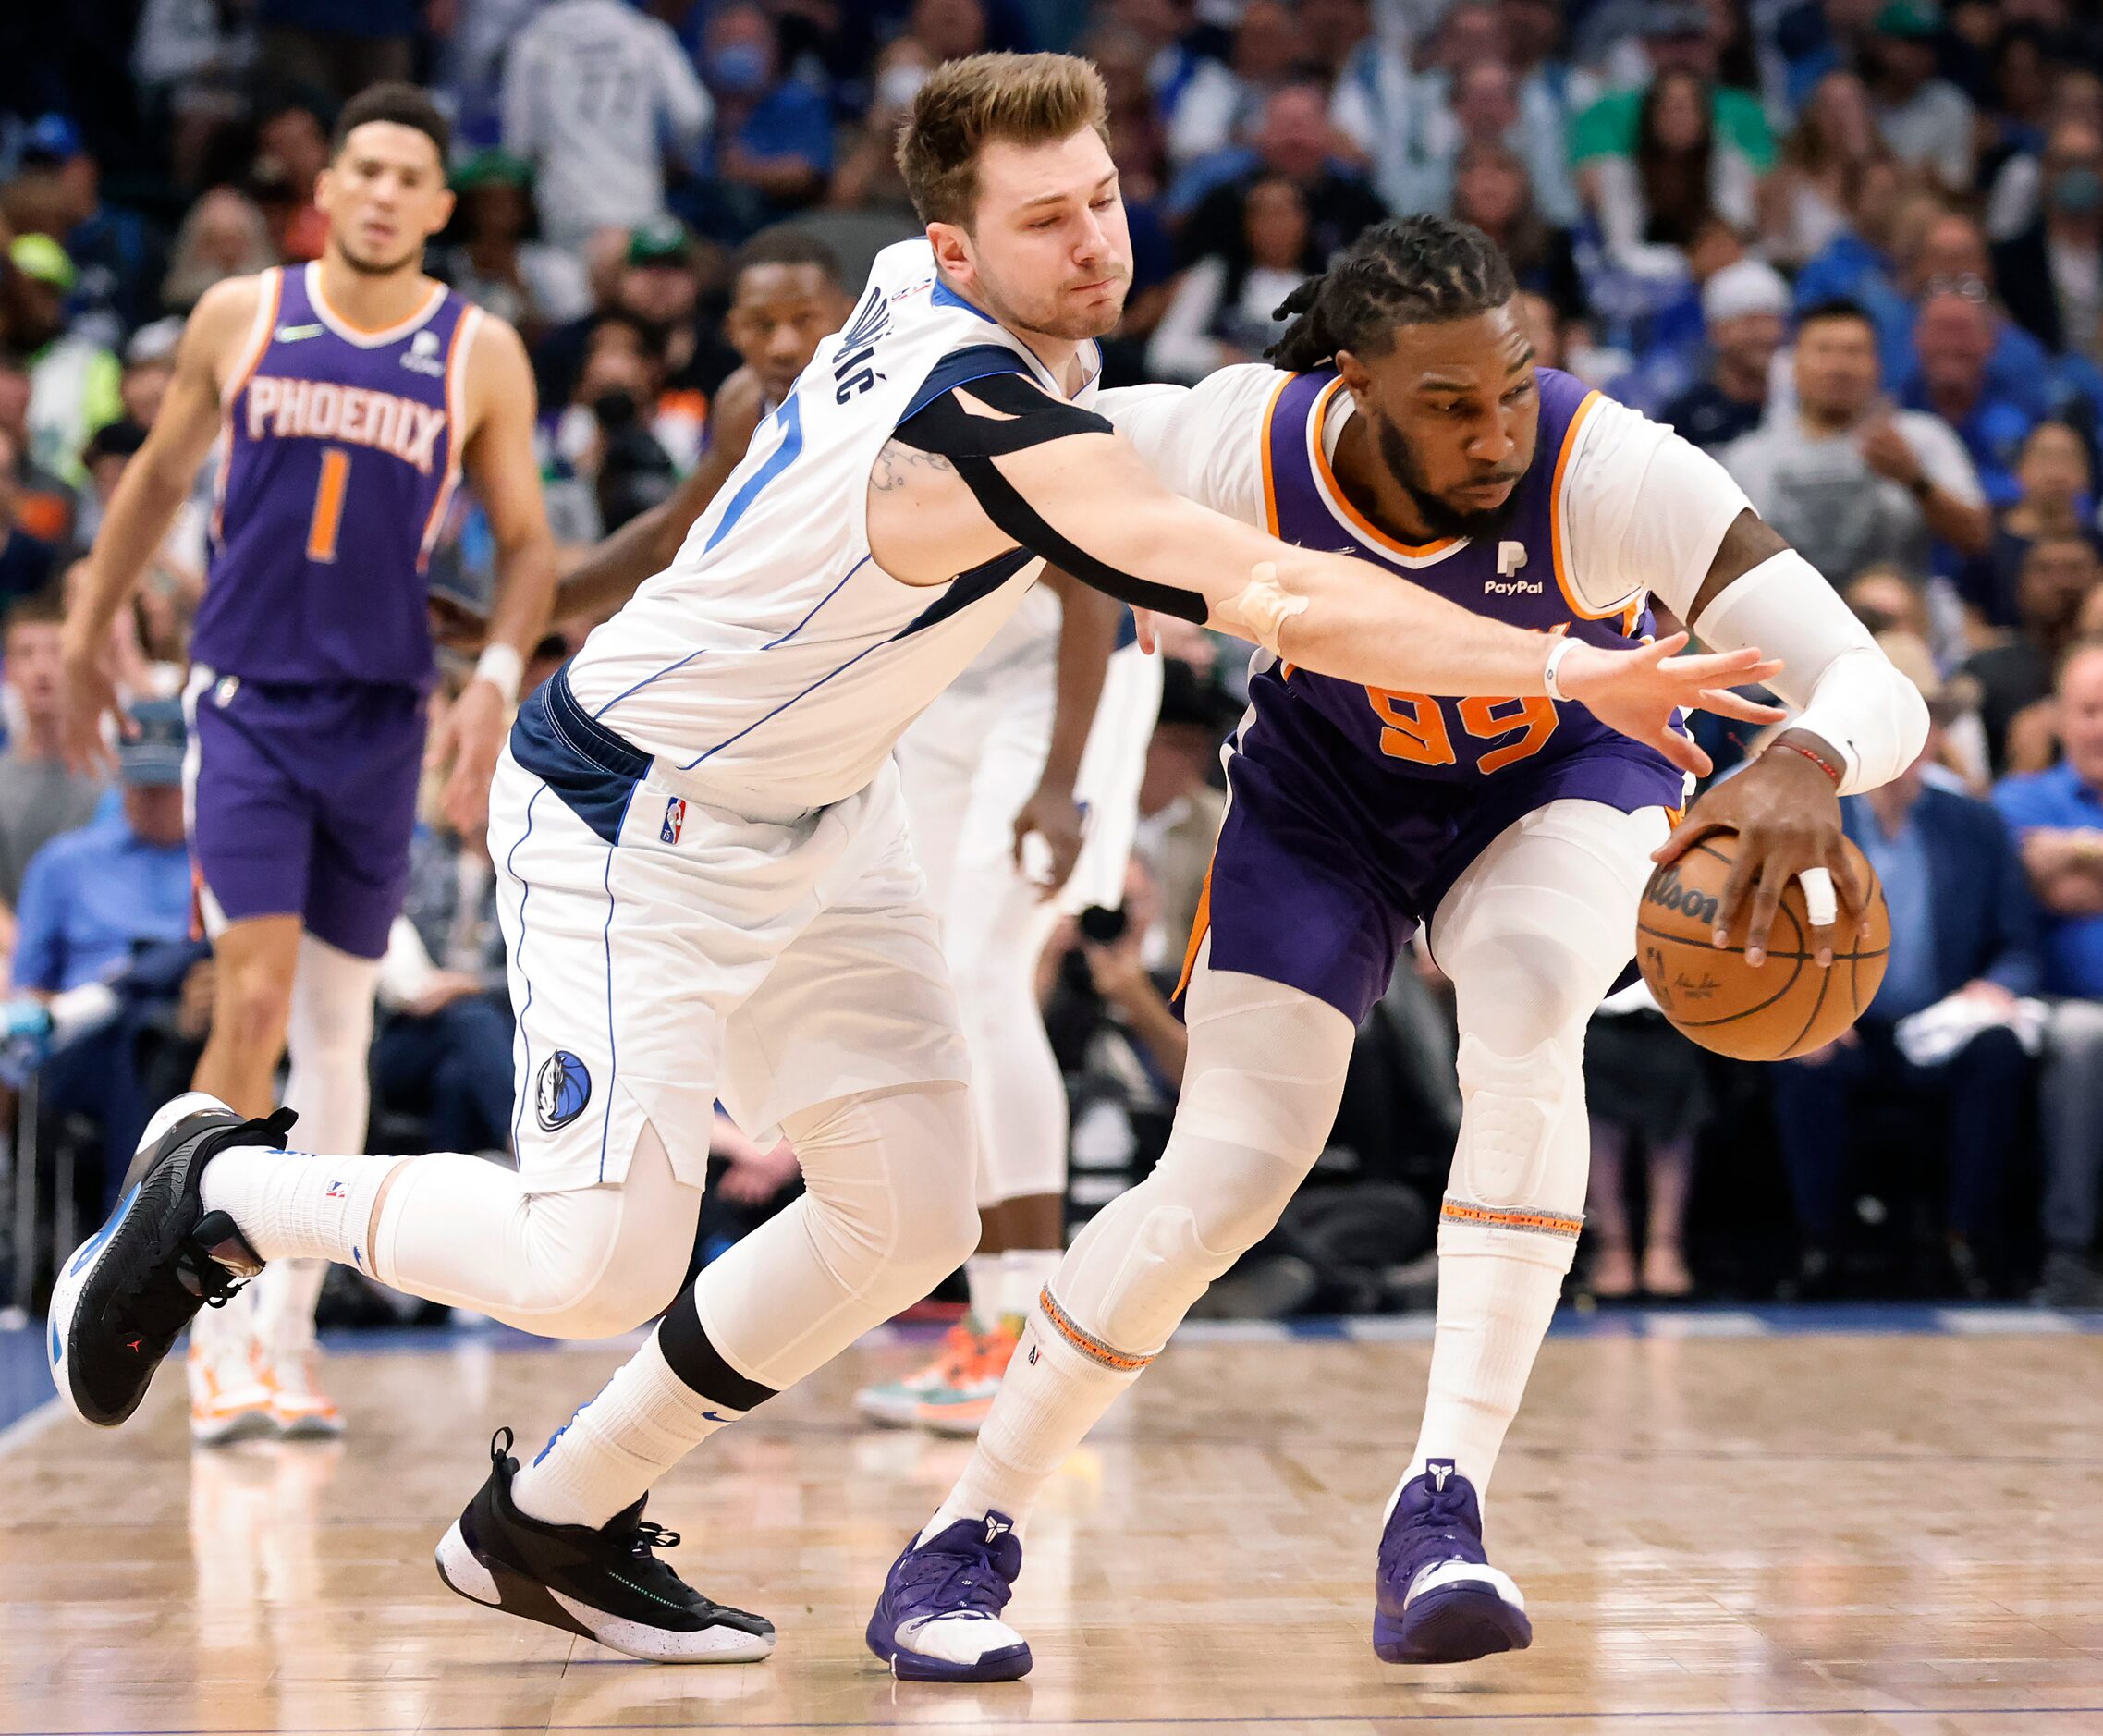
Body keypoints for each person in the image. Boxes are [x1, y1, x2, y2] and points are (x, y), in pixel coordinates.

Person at [47, 54, 1772, 1669]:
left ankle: (550, 1516)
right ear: (956, 245)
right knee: (594, 1265)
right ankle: (226, 1190)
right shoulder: (966, 409)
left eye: (1100, 195)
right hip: (626, 815)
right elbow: (1259, 586)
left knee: (908, 1217)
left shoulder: (927, 294)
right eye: (1047, 218)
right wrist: (1561, 663)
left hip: (825, 818)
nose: (1092, 236)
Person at [865, 212, 1926, 1680]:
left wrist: (1805, 757)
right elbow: (988, 470)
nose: (1495, 429)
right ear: (1353, 383)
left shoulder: (1609, 465)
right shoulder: (1238, 440)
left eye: (1509, 386)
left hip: (1561, 778)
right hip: (1323, 796)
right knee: (1229, 1167)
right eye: (1448, 404)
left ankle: (1439, 1505)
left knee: (1533, 988)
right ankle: (963, 1530)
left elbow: (1871, 677)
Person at [57, 83, 557, 1446]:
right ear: (325, 189)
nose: (386, 192)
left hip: (385, 709)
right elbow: (156, 483)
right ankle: (210, 1333)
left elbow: (526, 548)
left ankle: (290, 1330)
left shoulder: (480, 352)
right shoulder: (247, 314)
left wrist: (497, 677)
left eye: (412, 175)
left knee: (341, 1029)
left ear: (441, 206)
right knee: (256, 996)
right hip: (249, 707)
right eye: (366, 169)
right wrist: (95, 624)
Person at [1771, 660, 2039, 1300]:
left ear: (1929, 739)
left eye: (1915, 727)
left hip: (1941, 1023)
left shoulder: (1973, 824)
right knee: (1800, 1061)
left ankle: (1964, 1242)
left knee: (1996, 1053)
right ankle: (1821, 1245)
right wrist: (1805, 1011)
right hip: (1839, 1021)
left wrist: (1994, 988)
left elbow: (2019, 943)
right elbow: (1774, 938)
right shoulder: (1811, 820)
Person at [555, 228, 850, 625]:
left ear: (849, 318)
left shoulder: (890, 395)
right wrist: (526, 621)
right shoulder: (741, 406)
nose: (784, 346)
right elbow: (671, 536)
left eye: (805, 320)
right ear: (734, 331)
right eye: (761, 324)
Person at [1721, 300, 1990, 588]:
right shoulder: (1748, 459)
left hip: (1901, 621)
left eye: (1854, 352)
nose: (1839, 366)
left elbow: (1977, 538)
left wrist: (1915, 480)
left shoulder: (1920, 437)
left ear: (1878, 365)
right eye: (1824, 351)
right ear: (1794, 365)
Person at [1992, 635, 2103, 1307]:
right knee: (2086, 1042)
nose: (2100, 727)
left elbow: (2066, 884)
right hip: (2061, 1003)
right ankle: (2069, 1254)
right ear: (2058, 719)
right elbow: (2042, 888)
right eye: (2088, 710)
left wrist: (2077, 854)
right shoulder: (2020, 800)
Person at [500, 0, 712, 252]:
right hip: (635, 199)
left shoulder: (534, 41)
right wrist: (677, 161)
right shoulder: (645, 34)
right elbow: (693, 117)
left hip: (567, 203)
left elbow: (519, 144)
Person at [0, 591, 105, 950]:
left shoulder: (114, 780)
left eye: (56, 652)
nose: (42, 668)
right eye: (26, 654)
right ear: (10, 670)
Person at [1957, 418, 2103, 631]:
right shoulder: (1988, 543)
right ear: (2020, 471)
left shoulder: (2097, 544)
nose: (2056, 473)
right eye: (2045, 459)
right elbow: (1971, 624)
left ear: (2086, 474)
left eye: (2067, 459)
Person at [1994, 118, 2103, 364]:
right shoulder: (2010, 261)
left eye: (2090, 164)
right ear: (2045, 171)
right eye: (2067, 164)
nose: (2079, 174)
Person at [1661, 258, 1789, 451]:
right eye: (1749, 322)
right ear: (1716, 332)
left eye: (1770, 321)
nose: (1763, 334)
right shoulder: (1684, 416)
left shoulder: (1805, 405)